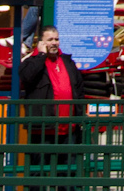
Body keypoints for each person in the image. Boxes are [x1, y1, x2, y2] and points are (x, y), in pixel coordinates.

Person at [18, 26, 87, 172]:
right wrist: (41, 55)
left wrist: (79, 117)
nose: (54, 43)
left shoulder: (68, 62)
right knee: (39, 173)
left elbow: (79, 89)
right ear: (41, 42)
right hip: (43, 130)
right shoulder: (31, 62)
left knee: (68, 173)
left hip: (69, 130)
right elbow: (26, 77)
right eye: (50, 40)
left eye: (56, 39)